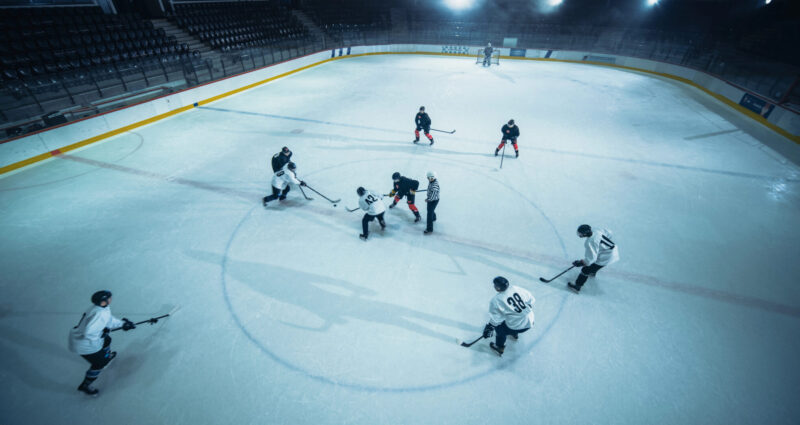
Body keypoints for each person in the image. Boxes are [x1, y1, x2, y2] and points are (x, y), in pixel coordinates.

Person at [68, 290, 135, 396]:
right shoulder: (99, 314)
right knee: (99, 364)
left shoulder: (100, 309)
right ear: (103, 301)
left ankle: (106, 357)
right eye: (109, 298)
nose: (111, 299)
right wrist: (101, 334)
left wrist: (122, 324)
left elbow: (108, 321)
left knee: (107, 340)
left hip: (84, 340)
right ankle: (85, 385)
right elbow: (89, 332)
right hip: (85, 346)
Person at [482, 277, 534, 357]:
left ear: (498, 288)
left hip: (517, 326)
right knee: (513, 318)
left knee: (499, 329)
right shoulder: (515, 288)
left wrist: (489, 327)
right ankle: (514, 334)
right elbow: (531, 299)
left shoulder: (496, 300)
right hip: (530, 321)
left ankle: (499, 347)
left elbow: (496, 319)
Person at [568, 224, 620, 294]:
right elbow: (609, 232)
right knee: (594, 265)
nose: (580, 235)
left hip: (607, 257)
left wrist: (581, 263)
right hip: (612, 250)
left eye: (581, 234)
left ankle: (577, 286)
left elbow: (591, 259)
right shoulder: (596, 230)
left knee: (585, 270)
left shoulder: (590, 242)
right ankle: (592, 272)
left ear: (585, 234)